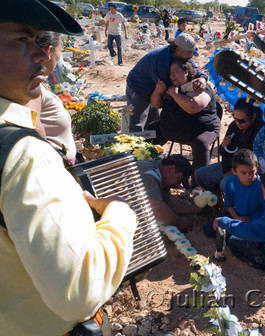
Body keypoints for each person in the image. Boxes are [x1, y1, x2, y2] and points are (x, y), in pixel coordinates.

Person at [0, 1, 137, 335]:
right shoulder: (25, 157)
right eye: (22, 40)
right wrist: (120, 214)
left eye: (40, 42)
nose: (41, 56)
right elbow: (77, 291)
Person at [148, 58, 220, 171]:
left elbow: (193, 107)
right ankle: (149, 169)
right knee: (151, 132)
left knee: (200, 143)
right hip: (171, 129)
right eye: (170, 73)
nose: (172, 76)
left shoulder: (199, 85)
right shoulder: (171, 87)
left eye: (175, 71)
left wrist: (176, 95)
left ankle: (198, 184)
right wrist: (157, 91)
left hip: (201, 129)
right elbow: (156, 104)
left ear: (186, 71)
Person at [126, 33, 207, 131]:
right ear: (178, 50)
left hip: (153, 87)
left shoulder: (181, 55)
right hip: (138, 87)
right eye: (189, 52)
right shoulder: (160, 62)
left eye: (192, 52)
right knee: (137, 126)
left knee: (153, 124)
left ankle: (151, 145)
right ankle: (132, 145)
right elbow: (168, 93)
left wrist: (202, 78)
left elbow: (193, 68)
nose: (191, 56)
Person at [25, 31, 77, 162]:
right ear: (48, 51)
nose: (59, 56)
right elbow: (34, 132)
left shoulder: (33, 84)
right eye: (60, 51)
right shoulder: (33, 89)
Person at [194, 98, 265, 192]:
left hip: (246, 171)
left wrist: (233, 172)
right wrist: (223, 146)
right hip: (228, 165)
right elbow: (222, 152)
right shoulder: (234, 126)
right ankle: (214, 201)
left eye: (242, 121)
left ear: (253, 117)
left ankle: (232, 205)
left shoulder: (261, 130)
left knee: (225, 184)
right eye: (235, 118)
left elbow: (253, 160)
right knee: (200, 174)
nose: (238, 123)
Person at [203, 149, 265, 237]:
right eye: (243, 173)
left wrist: (249, 219)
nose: (248, 176)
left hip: (253, 221)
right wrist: (236, 217)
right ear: (234, 171)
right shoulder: (232, 181)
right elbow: (229, 203)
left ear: (257, 168)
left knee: (235, 237)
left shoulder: (262, 186)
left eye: (252, 172)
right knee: (208, 228)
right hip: (234, 216)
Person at [136, 155, 199, 232]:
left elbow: (168, 206)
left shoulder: (160, 172)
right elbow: (158, 210)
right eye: (179, 179)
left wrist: (195, 208)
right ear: (171, 168)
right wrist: (179, 222)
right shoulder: (150, 174)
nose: (178, 186)